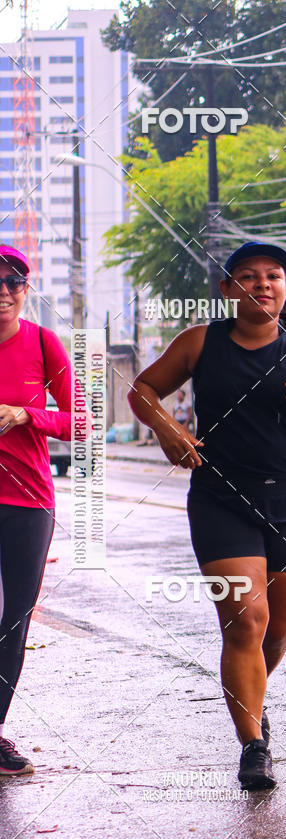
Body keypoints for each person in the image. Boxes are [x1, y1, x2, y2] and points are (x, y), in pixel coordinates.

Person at [128, 241, 286, 791]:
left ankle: (252, 700)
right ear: (227, 289)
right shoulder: (199, 342)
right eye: (247, 276)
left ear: (285, 287)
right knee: (246, 621)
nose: (262, 283)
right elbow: (142, 388)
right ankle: (253, 746)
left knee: (277, 633)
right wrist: (167, 428)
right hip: (220, 498)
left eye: (273, 275)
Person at [0, 245, 74, 775]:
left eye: (13, 282)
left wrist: (27, 415)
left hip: (28, 501)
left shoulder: (44, 343)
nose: (3, 292)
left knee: (13, 621)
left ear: (25, 290)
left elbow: (80, 420)